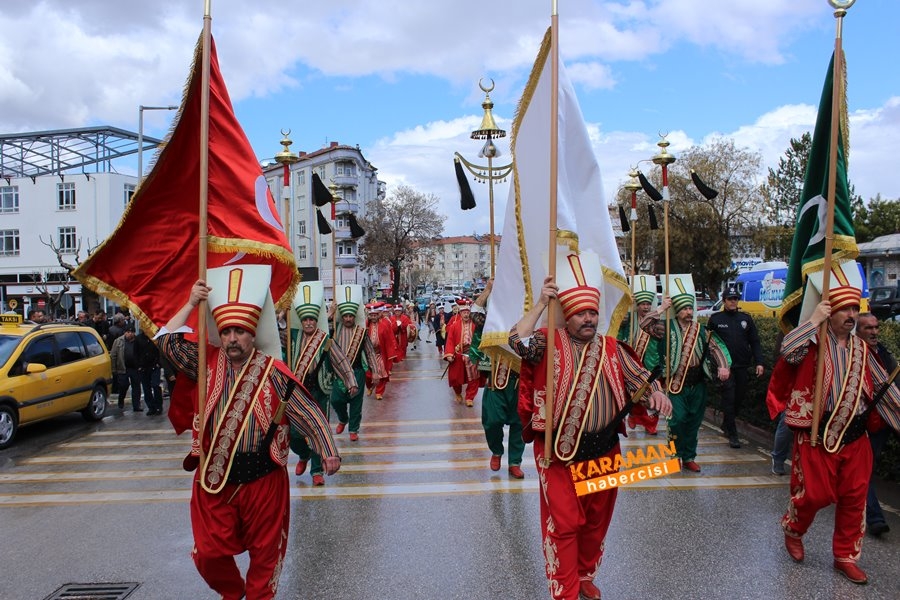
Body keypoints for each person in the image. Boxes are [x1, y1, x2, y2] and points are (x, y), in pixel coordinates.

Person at [155, 268, 340, 600]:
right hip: (214, 479)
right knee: (209, 555)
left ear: (252, 334)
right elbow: (166, 343)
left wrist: (327, 448)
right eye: (226, 332)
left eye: (239, 332)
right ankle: (233, 592)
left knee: (265, 560)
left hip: (263, 481)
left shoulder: (274, 372)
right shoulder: (206, 362)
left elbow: (308, 410)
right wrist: (190, 303)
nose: (232, 339)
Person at [509, 253, 672, 600]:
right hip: (557, 451)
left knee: (596, 523)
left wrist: (656, 394)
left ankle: (584, 574)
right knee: (565, 523)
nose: (589, 318)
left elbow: (641, 381)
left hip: (604, 448)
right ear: (568, 315)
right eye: (581, 312)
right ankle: (565, 590)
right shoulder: (546, 342)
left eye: (593, 312)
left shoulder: (613, 348)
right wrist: (541, 303)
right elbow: (516, 342)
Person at [773, 283, 900, 584]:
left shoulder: (863, 350)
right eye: (845, 308)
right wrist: (813, 320)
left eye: (855, 309)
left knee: (855, 499)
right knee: (814, 495)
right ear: (830, 311)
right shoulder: (813, 341)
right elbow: (787, 351)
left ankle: (845, 556)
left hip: (855, 436)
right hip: (816, 434)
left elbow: (885, 391)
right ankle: (794, 529)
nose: (851, 315)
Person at [642, 292, 730, 472]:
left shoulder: (700, 330)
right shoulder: (665, 328)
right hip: (675, 384)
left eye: (690, 308)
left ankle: (689, 456)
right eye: (685, 309)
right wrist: (661, 308)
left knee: (693, 422)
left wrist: (723, 366)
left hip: (697, 383)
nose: (689, 312)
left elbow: (716, 348)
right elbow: (645, 324)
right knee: (677, 420)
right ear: (677, 311)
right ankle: (675, 456)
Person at [289, 284, 357, 486]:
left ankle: (316, 471)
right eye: (305, 320)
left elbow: (341, 361)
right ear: (301, 321)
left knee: (318, 431)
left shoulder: (325, 340)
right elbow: (272, 340)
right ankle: (303, 455)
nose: (309, 323)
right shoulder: (292, 337)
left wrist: (350, 381)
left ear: (316, 321)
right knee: (294, 434)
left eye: (311, 319)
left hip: (320, 392)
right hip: (298, 393)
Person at [468, 280, 525, 478]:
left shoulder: (527, 318)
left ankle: (515, 462)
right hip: (495, 376)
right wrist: (489, 289)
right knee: (492, 422)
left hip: (520, 379)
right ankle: (496, 451)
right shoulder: (492, 321)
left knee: (519, 423)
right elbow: (474, 313)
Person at [855, 312, 897, 537]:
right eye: (868, 328)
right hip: (860, 423)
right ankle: (875, 518)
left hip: (882, 423)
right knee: (865, 471)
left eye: (876, 327)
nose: (873, 332)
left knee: (866, 470)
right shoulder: (852, 354)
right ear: (858, 331)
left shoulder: (884, 354)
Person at [707, 284, 764, 448]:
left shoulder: (745, 319)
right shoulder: (716, 319)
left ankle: (726, 423)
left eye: (735, 299)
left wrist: (759, 362)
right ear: (724, 301)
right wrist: (715, 366)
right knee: (729, 399)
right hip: (725, 368)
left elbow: (755, 342)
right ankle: (733, 434)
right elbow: (709, 344)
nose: (733, 302)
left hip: (742, 366)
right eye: (730, 299)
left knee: (739, 399)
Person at [331, 284, 378, 443]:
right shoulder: (335, 330)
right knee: (336, 400)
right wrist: (330, 313)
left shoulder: (361, 332)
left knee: (356, 404)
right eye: (345, 316)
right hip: (339, 374)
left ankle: (353, 429)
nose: (348, 319)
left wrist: (376, 371)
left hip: (357, 371)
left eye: (351, 316)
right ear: (342, 317)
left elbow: (370, 352)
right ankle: (343, 418)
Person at [622, 286, 660, 435]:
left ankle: (651, 423)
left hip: (651, 362)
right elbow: (620, 322)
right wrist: (626, 303)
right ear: (637, 306)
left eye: (648, 304)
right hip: (633, 362)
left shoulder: (655, 319)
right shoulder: (630, 319)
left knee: (654, 396)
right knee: (635, 397)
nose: (646, 307)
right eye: (643, 304)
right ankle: (638, 417)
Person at [443, 300, 480, 407]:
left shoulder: (475, 325)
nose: (466, 314)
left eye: (468, 312)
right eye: (464, 312)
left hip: (472, 354)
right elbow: (449, 340)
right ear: (460, 313)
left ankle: (469, 397)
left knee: (474, 378)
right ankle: (458, 393)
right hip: (458, 354)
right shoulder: (455, 326)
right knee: (455, 377)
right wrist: (449, 354)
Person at [364, 303, 397, 401]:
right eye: (371, 315)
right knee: (368, 374)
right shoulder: (365, 325)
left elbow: (389, 339)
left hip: (380, 354)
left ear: (379, 315)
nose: (373, 317)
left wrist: (391, 351)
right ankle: (369, 386)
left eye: (375, 315)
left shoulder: (384, 324)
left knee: (382, 374)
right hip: (368, 355)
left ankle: (379, 392)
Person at [109, 323, 143, 411]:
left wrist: (140, 365)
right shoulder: (118, 341)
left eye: (132, 332)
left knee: (136, 387)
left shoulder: (137, 341)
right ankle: (121, 399)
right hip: (123, 367)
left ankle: (136, 405)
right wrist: (113, 369)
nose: (130, 334)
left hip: (135, 368)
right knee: (124, 385)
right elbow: (113, 355)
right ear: (125, 332)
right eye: (128, 332)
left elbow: (141, 353)